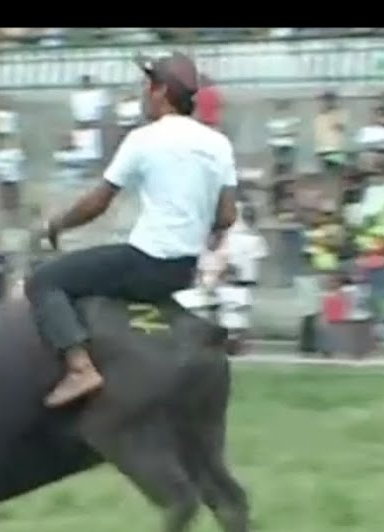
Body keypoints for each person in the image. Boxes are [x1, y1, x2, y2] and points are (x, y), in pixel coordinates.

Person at [27, 51, 238, 407]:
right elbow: (227, 216)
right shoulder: (218, 144)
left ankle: (79, 368)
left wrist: (56, 226)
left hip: (145, 262)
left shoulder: (144, 138)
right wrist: (206, 226)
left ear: (160, 92)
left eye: (146, 85)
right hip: (184, 269)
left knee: (45, 281)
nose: (143, 93)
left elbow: (98, 203)